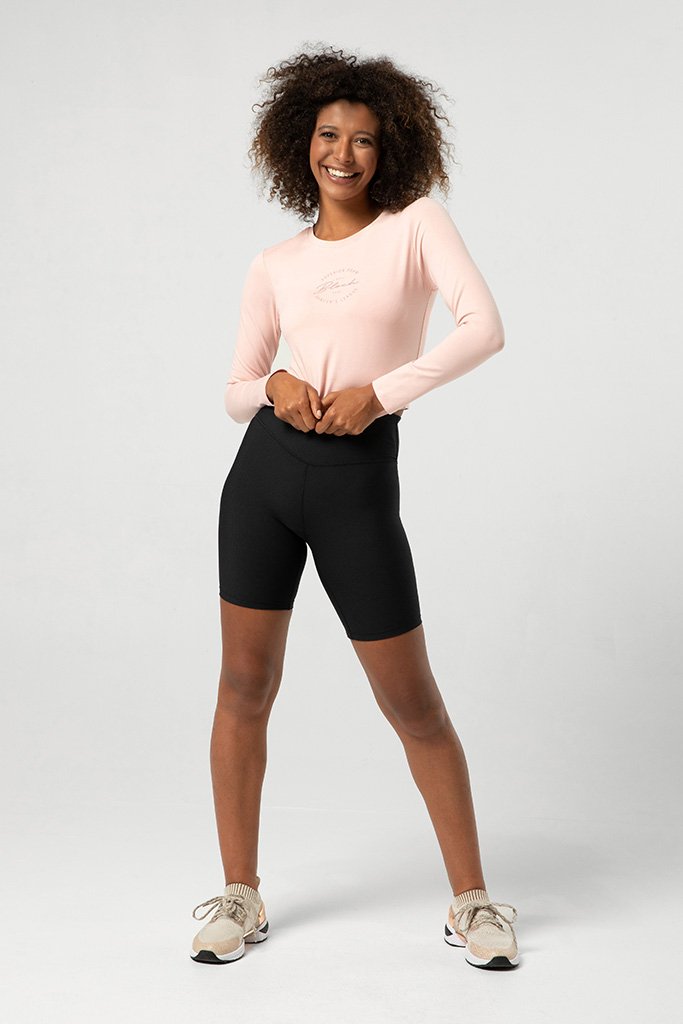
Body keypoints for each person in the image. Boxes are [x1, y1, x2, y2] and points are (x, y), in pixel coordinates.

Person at [190, 45, 520, 971]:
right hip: (262, 480)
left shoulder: (416, 226)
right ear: (299, 142)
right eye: (328, 135)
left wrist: (380, 392)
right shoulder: (276, 262)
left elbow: (483, 329)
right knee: (242, 687)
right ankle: (240, 892)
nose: (343, 153)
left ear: (389, 149)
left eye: (364, 139)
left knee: (411, 700)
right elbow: (234, 390)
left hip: (356, 484)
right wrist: (276, 383)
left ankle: (472, 901)